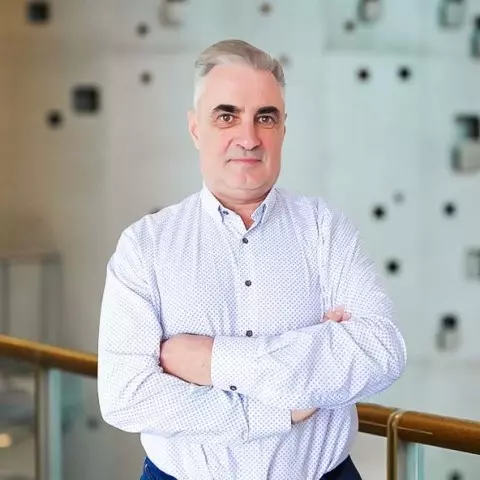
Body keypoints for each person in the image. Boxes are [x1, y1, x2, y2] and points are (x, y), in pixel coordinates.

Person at [97, 39, 407, 480]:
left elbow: (380, 351)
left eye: (265, 117)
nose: (249, 138)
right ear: (195, 128)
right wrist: (290, 396)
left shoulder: (325, 229)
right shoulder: (145, 246)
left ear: (283, 129)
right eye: (226, 116)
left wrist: (212, 361)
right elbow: (126, 396)